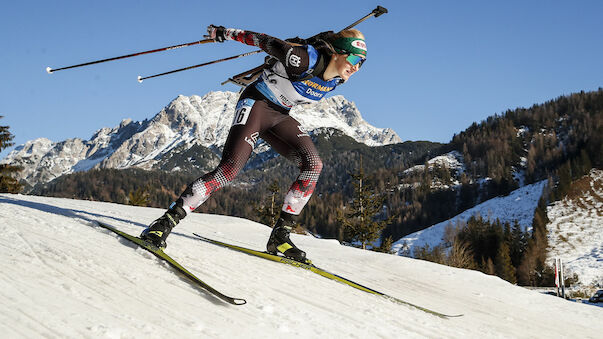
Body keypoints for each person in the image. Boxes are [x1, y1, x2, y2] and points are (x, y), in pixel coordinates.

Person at [140, 25, 367, 263]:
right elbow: (262, 40)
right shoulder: (303, 59)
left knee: (313, 166)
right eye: (353, 58)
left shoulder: (338, 79)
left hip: (281, 115)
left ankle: (280, 237)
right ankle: (163, 224)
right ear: (337, 53)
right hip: (257, 104)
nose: (356, 66)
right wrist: (224, 33)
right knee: (229, 170)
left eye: (362, 63)